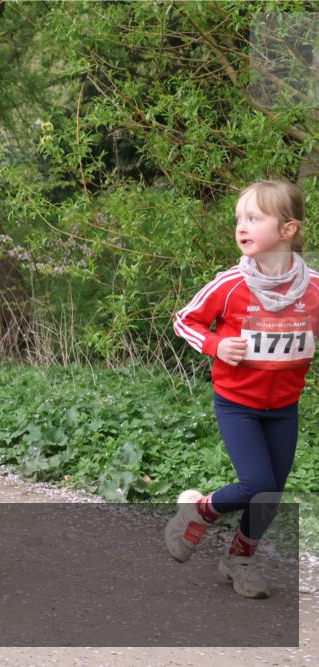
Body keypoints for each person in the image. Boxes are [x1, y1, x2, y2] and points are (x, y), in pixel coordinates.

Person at [170, 179, 318, 599]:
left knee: (272, 495)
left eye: (254, 218)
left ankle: (239, 559)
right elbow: (184, 320)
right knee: (256, 483)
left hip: (284, 406)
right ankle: (199, 510)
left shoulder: (313, 288)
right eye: (239, 218)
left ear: (287, 229)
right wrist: (216, 345)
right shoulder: (231, 283)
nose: (241, 226)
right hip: (238, 404)